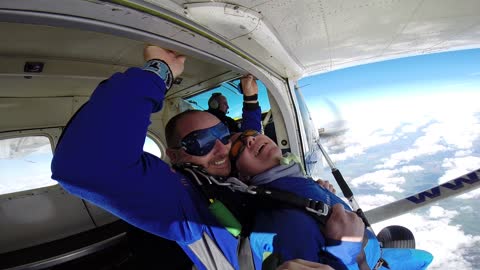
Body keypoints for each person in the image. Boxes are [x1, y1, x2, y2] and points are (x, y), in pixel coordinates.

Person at [51, 45, 362, 270]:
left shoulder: (232, 173)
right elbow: (86, 164)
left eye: (224, 137)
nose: (221, 149)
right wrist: (158, 73)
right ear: (174, 155)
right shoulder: (187, 197)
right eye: (199, 142)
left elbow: (248, 136)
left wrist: (250, 98)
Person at [229, 129, 434, 270]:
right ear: (243, 177)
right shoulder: (277, 220)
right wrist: (342, 250)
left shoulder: (294, 182)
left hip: (378, 257)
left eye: (252, 134)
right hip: (369, 263)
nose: (250, 139)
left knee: (402, 235)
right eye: (238, 149)